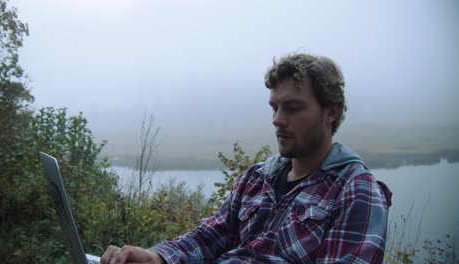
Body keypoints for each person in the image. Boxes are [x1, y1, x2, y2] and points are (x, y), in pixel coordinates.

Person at [101, 53, 392, 264]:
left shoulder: (355, 191)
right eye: (274, 108)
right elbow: (208, 237)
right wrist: (155, 257)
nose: (278, 120)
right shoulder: (256, 178)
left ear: (331, 112)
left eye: (292, 108)